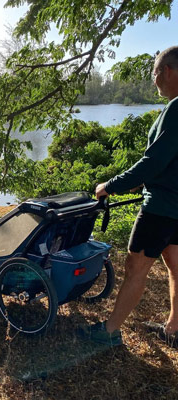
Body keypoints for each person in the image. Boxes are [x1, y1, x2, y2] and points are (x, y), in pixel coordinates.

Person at [78, 46, 178, 347]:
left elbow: (153, 161)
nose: (154, 80)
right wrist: (145, 180)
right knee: (175, 266)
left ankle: (109, 332)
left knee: (135, 268)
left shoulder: (175, 109)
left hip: (160, 208)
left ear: (168, 72)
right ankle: (174, 329)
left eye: (155, 73)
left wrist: (112, 184)